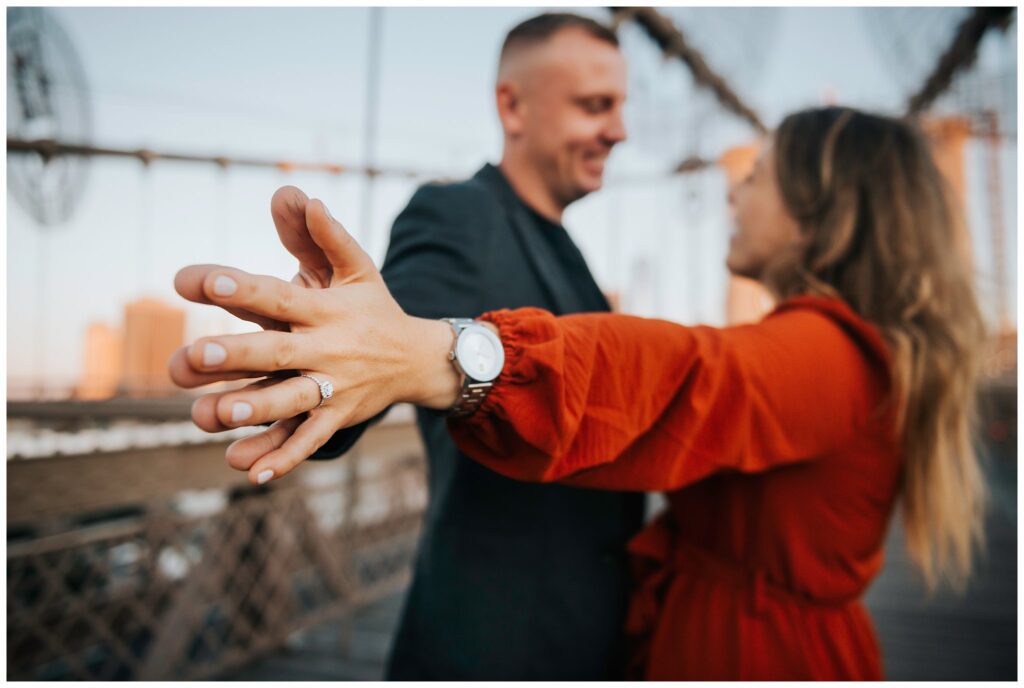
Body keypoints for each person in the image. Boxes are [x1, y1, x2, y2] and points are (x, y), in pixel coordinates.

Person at [170, 106, 988, 679]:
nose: (734, 193)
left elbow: (690, 378)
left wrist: (447, 355)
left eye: (759, 177)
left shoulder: (833, 350)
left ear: (822, 213)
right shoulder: (847, 346)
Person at [171, 12, 644, 680]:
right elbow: (379, 351)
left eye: (621, 107)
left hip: (587, 636)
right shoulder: (461, 215)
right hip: (496, 646)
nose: (620, 130)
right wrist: (319, 370)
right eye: (596, 106)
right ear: (512, 105)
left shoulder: (566, 247)